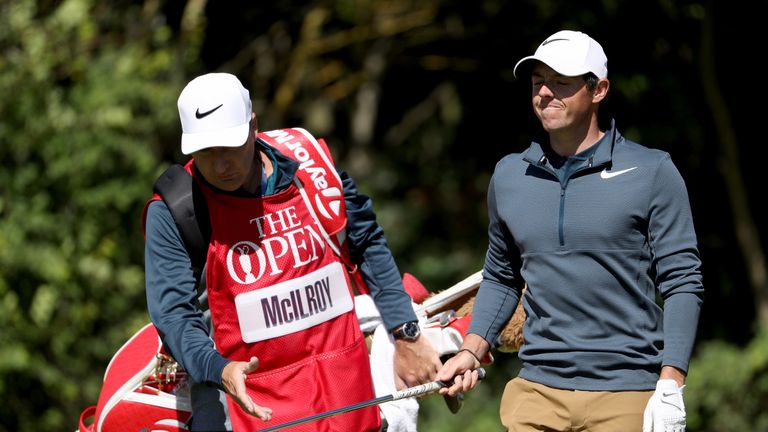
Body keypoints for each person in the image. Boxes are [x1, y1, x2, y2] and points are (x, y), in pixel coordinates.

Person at [436, 30, 704, 432]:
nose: (546, 92)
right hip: (537, 390)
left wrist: (672, 380)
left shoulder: (652, 171)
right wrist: (473, 349)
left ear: (599, 90)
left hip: (627, 392)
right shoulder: (510, 175)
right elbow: (502, 277)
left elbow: (682, 280)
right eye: (537, 82)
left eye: (561, 82)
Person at [143, 72, 441, 431]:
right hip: (241, 397)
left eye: (230, 146)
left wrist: (406, 333)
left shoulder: (309, 163)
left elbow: (367, 243)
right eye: (206, 151)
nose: (221, 165)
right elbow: (174, 316)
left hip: (345, 390)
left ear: (254, 126)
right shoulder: (175, 209)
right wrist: (217, 369)